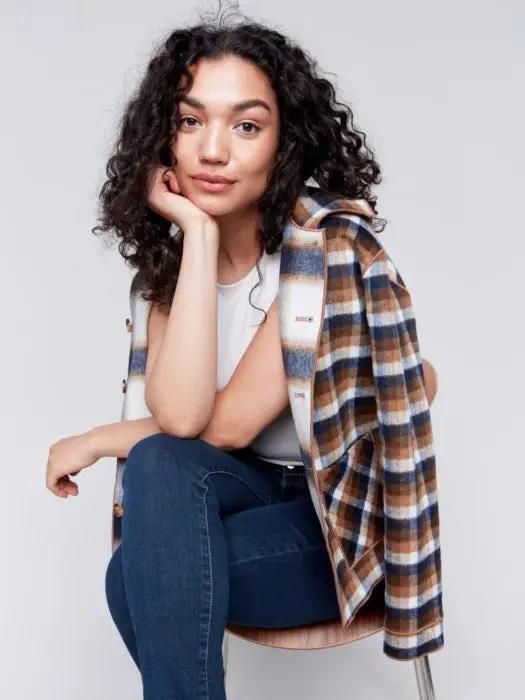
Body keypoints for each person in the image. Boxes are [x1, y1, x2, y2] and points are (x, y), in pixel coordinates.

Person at [45, 11, 439, 699]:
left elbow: (223, 428)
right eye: (190, 121)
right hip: (238, 492)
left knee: (136, 573)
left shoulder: (325, 252)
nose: (212, 150)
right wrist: (196, 236)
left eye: (246, 126)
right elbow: (183, 418)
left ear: (286, 141)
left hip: (330, 529)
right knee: (161, 464)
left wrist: (96, 439)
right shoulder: (167, 270)